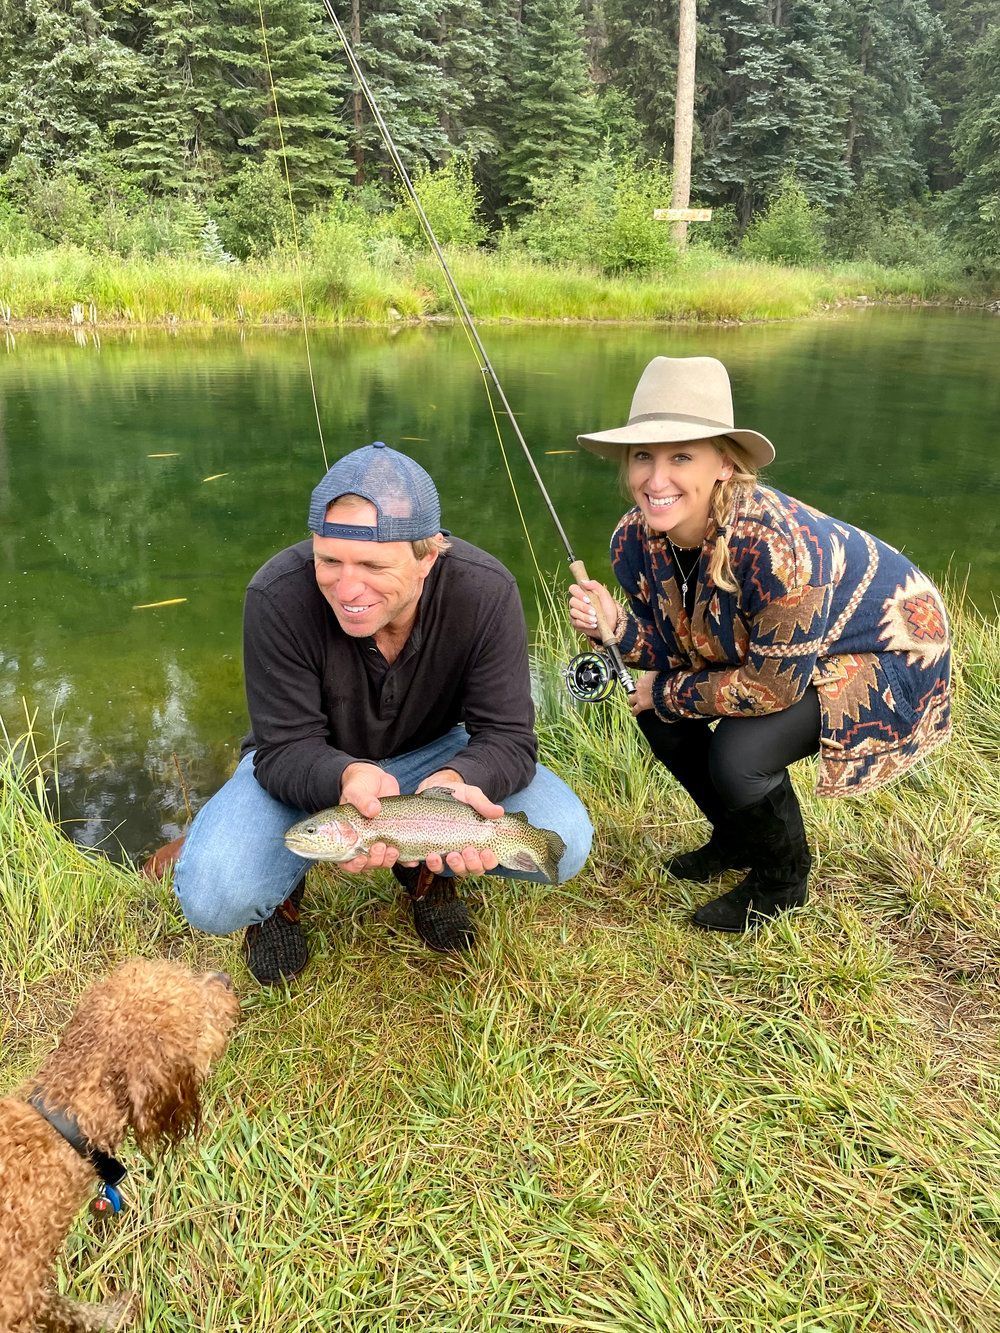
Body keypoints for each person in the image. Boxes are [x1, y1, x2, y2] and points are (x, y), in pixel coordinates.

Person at [172, 441, 593, 983]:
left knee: (564, 839)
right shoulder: (277, 595)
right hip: (311, 760)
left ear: (428, 557)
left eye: (373, 564)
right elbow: (285, 747)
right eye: (329, 561)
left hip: (436, 753)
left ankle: (428, 872)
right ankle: (279, 903)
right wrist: (344, 776)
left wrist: (458, 781)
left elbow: (507, 737)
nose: (347, 588)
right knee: (215, 895)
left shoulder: (485, 591)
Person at [568, 356, 951, 933]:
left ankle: (782, 881)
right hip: (796, 650)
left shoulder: (776, 548)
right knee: (660, 718)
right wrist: (616, 629)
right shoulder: (633, 539)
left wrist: (665, 690)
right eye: (643, 456)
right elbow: (679, 646)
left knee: (740, 755)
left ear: (724, 463)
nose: (656, 479)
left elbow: (771, 688)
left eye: (681, 457)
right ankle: (738, 838)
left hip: (888, 649)